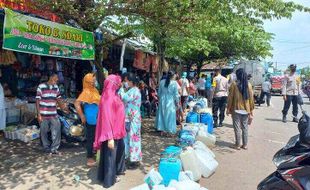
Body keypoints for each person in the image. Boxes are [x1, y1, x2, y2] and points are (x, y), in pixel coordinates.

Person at [94, 74, 126, 188]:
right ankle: (108, 180)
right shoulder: (108, 97)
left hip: (116, 131)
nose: (119, 84)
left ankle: (106, 176)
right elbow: (106, 118)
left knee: (110, 155)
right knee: (110, 157)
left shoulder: (111, 95)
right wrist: (110, 137)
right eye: (117, 82)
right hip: (111, 133)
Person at [36, 73, 67, 155]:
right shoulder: (41, 86)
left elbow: (58, 99)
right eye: (56, 78)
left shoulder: (56, 87)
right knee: (44, 131)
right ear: (51, 77)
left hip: (53, 113)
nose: (57, 80)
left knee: (57, 130)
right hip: (43, 114)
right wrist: (38, 114)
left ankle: (54, 148)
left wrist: (64, 108)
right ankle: (46, 147)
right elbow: (37, 101)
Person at [74, 73, 101, 167]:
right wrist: (82, 116)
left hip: (97, 118)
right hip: (91, 120)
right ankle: (89, 157)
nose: (94, 82)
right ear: (87, 81)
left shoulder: (94, 90)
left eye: (94, 80)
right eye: (92, 80)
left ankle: (94, 153)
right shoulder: (86, 91)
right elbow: (76, 103)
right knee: (90, 138)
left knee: (95, 137)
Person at [227, 68, 254, 150]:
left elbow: (230, 98)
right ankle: (245, 145)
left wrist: (228, 108)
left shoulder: (234, 84)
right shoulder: (248, 85)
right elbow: (251, 99)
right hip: (246, 110)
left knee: (237, 127)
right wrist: (251, 111)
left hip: (236, 109)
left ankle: (237, 145)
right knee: (245, 127)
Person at [119, 73, 142, 168]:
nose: (125, 82)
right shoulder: (132, 90)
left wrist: (120, 89)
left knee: (133, 139)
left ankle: (134, 161)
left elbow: (125, 98)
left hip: (133, 119)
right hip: (129, 118)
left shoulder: (135, 91)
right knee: (128, 139)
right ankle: (128, 158)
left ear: (131, 82)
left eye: (126, 81)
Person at [156, 71, 180, 136]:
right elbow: (176, 94)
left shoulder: (161, 82)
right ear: (173, 76)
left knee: (162, 115)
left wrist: (159, 99)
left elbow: (159, 93)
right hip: (170, 100)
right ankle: (169, 130)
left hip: (162, 99)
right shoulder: (174, 83)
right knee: (170, 115)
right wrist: (177, 102)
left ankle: (163, 130)